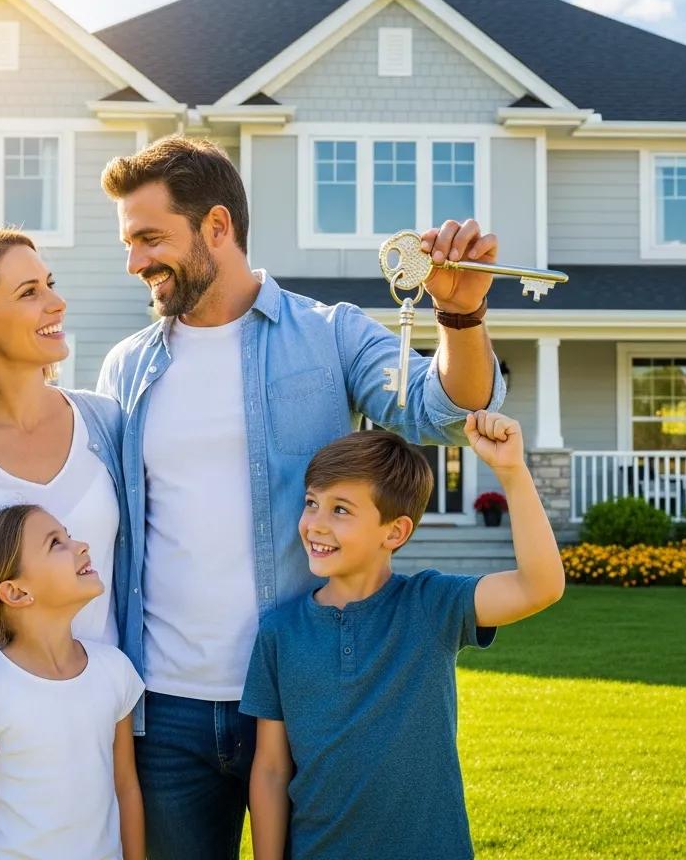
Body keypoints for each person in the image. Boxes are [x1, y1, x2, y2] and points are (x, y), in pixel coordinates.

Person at [96, 136, 506, 859]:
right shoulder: (127, 366)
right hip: (165, 708)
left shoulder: (331, 334)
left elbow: (443, 411)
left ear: (217, 227)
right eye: (129, 243)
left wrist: (461, 320)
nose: (133, 263)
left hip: (309, 699)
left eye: (149, 238)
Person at [242, 410, 565, 859]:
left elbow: (540, 586)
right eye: (311, 502)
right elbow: (272, 769)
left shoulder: (432, 605)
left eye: (341, 510)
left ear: (394, 532)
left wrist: (512, 472)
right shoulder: (279, 631)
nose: (315, 523)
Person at [0, 229, 131, 859]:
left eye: (52, 285)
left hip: (106, 734)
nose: (55, 304)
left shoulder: (107, 424)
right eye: (29, 292)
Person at [0, 504, 144, 859]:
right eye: (56, 543)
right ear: (16, 593)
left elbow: (125, 787)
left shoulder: (115, 671)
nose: (81, 545)